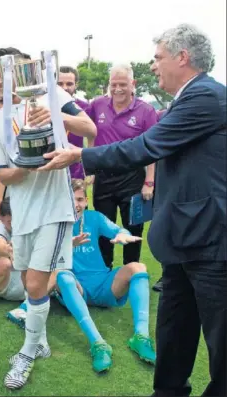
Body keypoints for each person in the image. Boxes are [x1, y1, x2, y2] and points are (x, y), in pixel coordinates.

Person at [39, 23, 225, 397]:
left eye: (158, 58)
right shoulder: (190, 98)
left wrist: (81, 155)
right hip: (181, 241)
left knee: (219, 338)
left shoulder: (205, 96)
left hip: (208, 242)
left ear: (182, 57)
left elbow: (144, 146)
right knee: (174, 329)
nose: (153, 66)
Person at [0, 47, 96, 390]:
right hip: (24, 212)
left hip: (56, 207)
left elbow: (89, 128)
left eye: (4, 72)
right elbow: (3, 175)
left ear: (25, 72)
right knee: (30, 281)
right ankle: (41, 342)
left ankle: (28, 353)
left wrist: (54, 117)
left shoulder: (52, 94)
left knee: (34, 283)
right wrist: (25, 164)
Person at [50, 179, 155, 373]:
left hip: (102, 283)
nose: (76, 204)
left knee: (137, 267)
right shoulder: (54, 222)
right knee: (62, 276)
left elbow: (117, 229)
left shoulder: (94, 218)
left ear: (87, 201)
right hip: (75, 287)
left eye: (80, 199)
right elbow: (45, 259)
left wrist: (122, 234)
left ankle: (141, 336)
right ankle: (98, 343)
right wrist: (68, 246)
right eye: (71, 199)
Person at [85, 64, 158, 270]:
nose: (117, 89)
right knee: (104, 229)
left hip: (132, 178)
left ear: (133, 84)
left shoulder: (146, 110)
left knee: (133, 229)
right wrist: (89, 167)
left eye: (122, 84)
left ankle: (131, 271)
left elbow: (152, 150)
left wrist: (149, 182)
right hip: (103, 178)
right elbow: (89, 131)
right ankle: (104, 271)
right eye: (113, 84)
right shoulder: (98, 104)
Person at [58, 66, 91, 181]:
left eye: (69, 84)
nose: (64, 88)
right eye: (60, 84)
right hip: (53, 170)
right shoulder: (45, 106)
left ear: (76, 85)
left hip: (76, 171)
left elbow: (94, 136)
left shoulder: (85, 108)